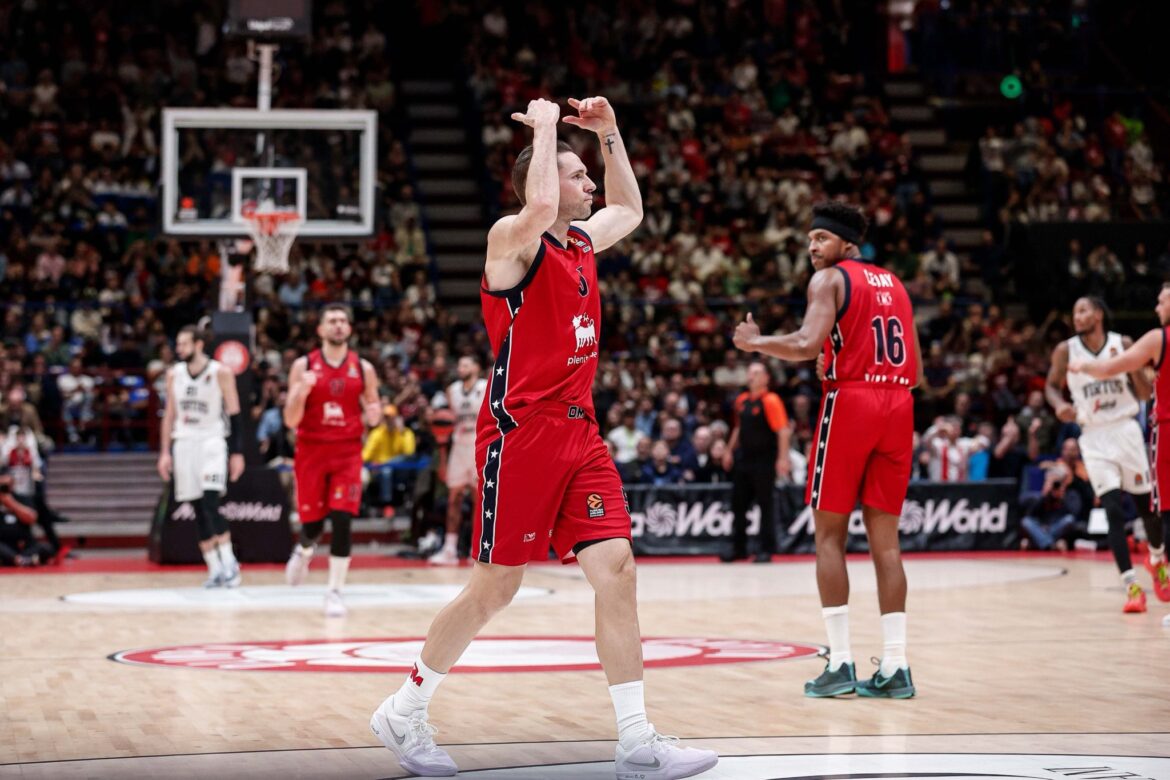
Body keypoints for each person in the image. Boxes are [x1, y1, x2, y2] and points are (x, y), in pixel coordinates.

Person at [369, 97, 717, 779]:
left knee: (616, 572)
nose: (591, 185)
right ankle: (404, 709)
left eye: (588, 175)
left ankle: (636, 738)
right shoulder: (511, 241)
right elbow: (533, 212)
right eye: (577, 175)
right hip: (520, 436)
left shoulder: (584, 241)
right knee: (495, 588)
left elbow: (633, 211)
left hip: (580, 433)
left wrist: (610, 130)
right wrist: (548, 126)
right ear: (548, 183)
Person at [733, 200, 921, 699]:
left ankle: (840, 664)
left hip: (853, 403)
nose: (812, 248)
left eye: (819, 238)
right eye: (809, 240)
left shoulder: (831, 280)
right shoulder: (895, 284)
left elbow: (803, 343)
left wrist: (755, 344)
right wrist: (847, 358)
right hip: (900, 405)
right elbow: (918, 371)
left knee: (829, 536)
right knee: (887, 543)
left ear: (844, 242)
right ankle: (897, 666)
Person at [1050, 296, 1167, 612]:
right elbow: (1050, 386)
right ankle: (1131, 586)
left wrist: (1144, 378)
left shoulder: (1123, 343)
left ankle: (1156, 557)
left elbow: (1142, 393)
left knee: (1147, 509)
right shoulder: (1065, 350)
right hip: (1093, 435)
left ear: (1099, 314)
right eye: (1074, 312)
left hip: (1126, 430)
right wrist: (1060, 404)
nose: (1078, 317)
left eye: (1084, 310)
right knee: (1113, 508)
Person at [283, 304, 382, 617]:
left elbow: (374, 411)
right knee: (313, 523)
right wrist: (301, 392)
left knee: (342, 518)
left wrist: (375, 415)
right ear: (320, 330)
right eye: (332, 321)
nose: (338, 326)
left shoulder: (363, 368)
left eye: (343, 321)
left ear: (349, 329)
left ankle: (335, 592)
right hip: (311, 450)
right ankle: (304, 549)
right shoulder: (303, 365)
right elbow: (290, 419)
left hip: (348, 452)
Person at [156, 325, 246, 588]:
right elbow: (169, 416)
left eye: (183, 344)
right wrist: (164, 453)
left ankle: (229, 562)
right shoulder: (174, 374)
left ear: (198, 344)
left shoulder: (221, 372)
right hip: (184, 441)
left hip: (211, 440)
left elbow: (235, 415)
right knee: (196, 507)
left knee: (210, 501)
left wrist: (237, 452)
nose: (178, 349)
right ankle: (214, 567)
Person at [720, 362, 790, 563]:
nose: (752, 376)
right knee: (738, 504)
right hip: (744, 460)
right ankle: (738, 548)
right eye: (750, 372)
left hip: (764, 461)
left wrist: (782, 459)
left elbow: (783, 431)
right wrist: (728, 451)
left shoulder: (771, 400)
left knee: (765, 505)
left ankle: (766, 549)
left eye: (757, 373)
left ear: (766, 378)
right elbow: (738, 428)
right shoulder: (741, 400)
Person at [429, 355, 487, 564]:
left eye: (466, 364)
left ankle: (477, 547)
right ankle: (449, 549)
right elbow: (440, 419)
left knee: (477, 499)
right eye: (460, 364)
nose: (461, 368)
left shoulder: (486, 386)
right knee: (453, 499)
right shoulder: (451, 390)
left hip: (479, 445)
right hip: (458, 446)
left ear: (476, 367)